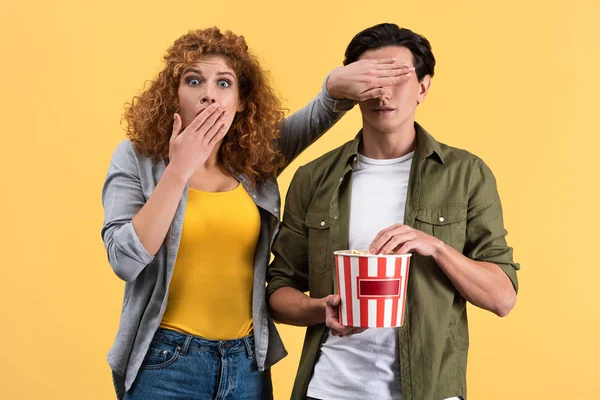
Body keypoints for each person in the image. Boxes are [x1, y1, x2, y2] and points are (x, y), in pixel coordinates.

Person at [101, 26, 414, 399]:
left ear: (241, 100)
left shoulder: (253, 162)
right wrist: (178, 170)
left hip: (246, 364)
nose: (207, 96)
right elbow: (124, 260)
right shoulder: (137, 159)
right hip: (166, 363)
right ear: (173, 95)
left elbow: (317, 114)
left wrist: (337, 83)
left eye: (223, 83)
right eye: (194, 80)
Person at [267, 23, 520, 400]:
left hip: (430, 390)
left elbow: (502, 298)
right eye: (371, 78)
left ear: (423, 87)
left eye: (398, 77)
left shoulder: (467, 174)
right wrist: (321, 309)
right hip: (329, 390)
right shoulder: (313, 177)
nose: (383, 92)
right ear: (354, 90)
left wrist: (435, 247)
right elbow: (278, 289)